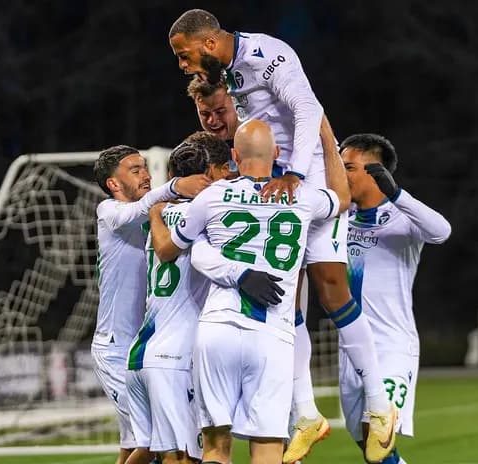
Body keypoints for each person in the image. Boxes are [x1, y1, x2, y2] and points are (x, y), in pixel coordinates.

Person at [169, 10, 395, 462]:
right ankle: (307, 414)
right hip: (272, 186)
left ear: (209, 43)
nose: (182, 64)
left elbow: (309, 109)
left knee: (332, 289)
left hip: (302, 184)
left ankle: (379, 404)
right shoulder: (229, 74)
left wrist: (296, 172)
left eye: (183, 55)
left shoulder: (266, 53)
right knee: (284, 297)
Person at [150, 119, 350, 464]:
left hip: (217, 329)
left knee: (215, 448)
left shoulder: (212, 195)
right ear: (275, 153)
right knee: (268, 449)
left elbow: (176, 247)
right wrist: (328, 142)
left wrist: (163, 200)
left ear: (233, 157)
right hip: (272, 335)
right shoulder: (302, 196)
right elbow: (342, 198)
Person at [91, 145, 209, 464]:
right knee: (153, 443)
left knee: (137, 444)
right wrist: (173, 187)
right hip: (115, 348)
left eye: (144, 167)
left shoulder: (158, 213)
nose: (144, 174)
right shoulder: (110, 212)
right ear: (113, 184)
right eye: (134, 170)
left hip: (144, 345)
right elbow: (137, 211)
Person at [340, 134, 451, 464]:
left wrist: (397, 194)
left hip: (390, 346)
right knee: (369, 450)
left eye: (349, 167)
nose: (340, 173)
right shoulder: (340, 220)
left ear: (375, 171)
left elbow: (441, 231)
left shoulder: (404, 220)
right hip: (349, 349)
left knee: (378, 436)